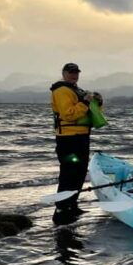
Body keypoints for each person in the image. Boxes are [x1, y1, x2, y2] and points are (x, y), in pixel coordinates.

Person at [50, 62, 99, 224]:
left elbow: (91, 113)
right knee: (69, 173)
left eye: (76, 72)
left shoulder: (78, 91)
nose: (74, 75)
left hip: (81, 137)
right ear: (63, 73)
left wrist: (97, 102)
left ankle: (72, 205)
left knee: (79, 172)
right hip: (68, 139)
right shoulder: (61, 90)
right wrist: (85, 102)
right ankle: (61, 210)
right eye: (70, 72)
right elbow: (68, 114)